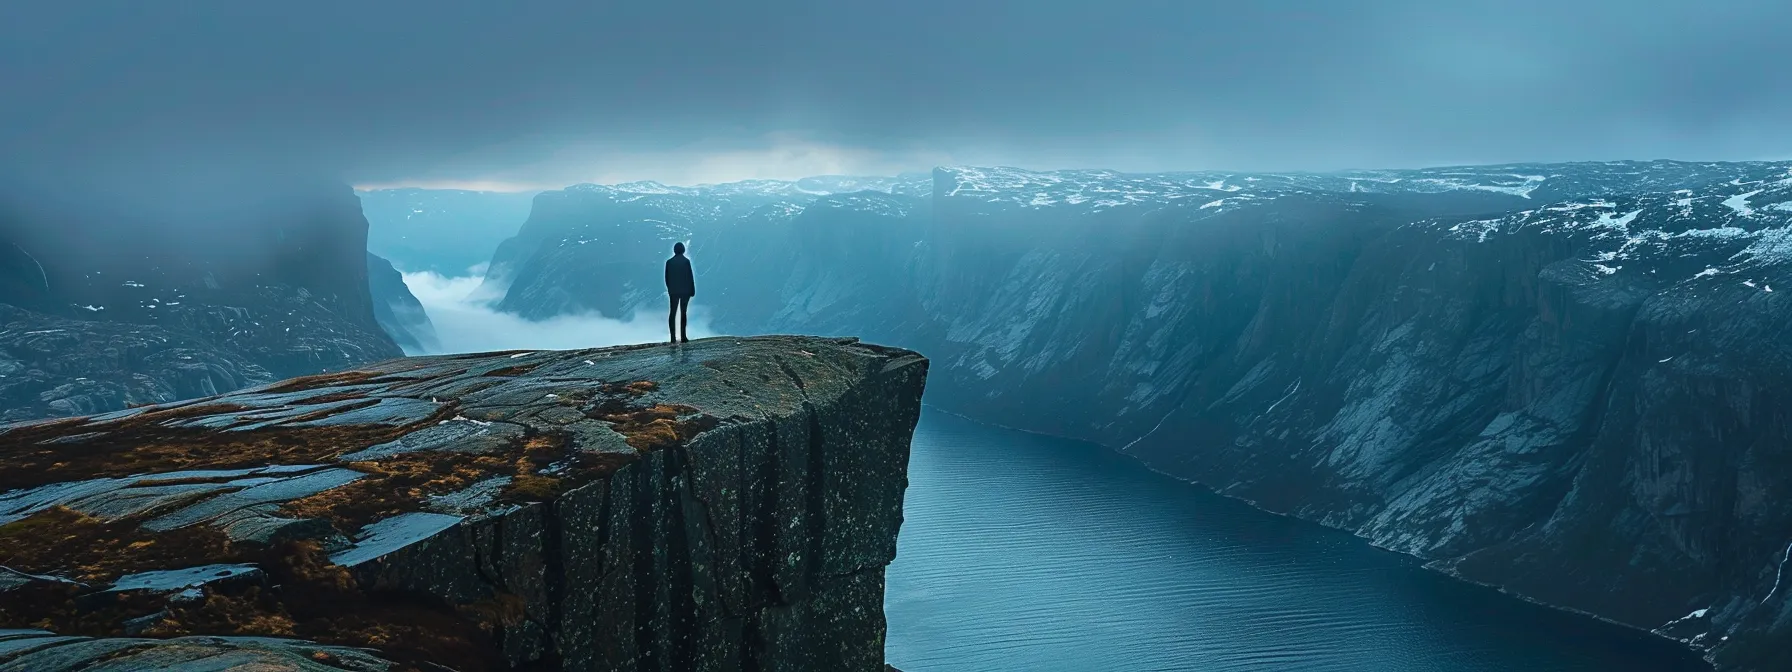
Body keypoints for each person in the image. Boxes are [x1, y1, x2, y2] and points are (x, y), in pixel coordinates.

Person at [664, 241, 695, 343]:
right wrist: (692, 290)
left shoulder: (669, 262)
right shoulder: (686, 262)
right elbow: (690, 277)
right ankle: (683, 336)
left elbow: (667, 278)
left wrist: (670, 289)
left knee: (672, 313)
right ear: (683, 250)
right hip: (685, 291)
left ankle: (672, 338)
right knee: (683, 313)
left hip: (673, 291)